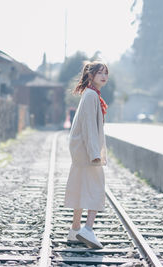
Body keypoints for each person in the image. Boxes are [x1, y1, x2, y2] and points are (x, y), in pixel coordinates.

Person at [64, 61, 109, 249]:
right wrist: (94, 153)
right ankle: (87, 229)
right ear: (91, 75)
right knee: (97, 189)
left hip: (80, 152)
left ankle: (75, 230)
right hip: (88, 152)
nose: (104, 76)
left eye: (106, 73)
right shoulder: (91, 96)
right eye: (100, 73)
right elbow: (90, 126)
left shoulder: (89, 94)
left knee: (80, 188)